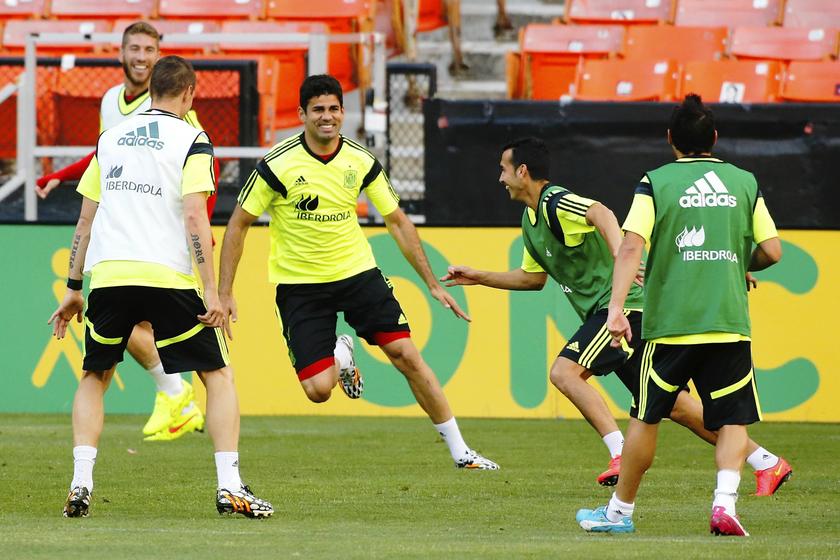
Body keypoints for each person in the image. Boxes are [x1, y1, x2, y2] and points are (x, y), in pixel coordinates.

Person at [443, 136, 791, 492]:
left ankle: (619, 451)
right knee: (678, 408)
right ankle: (767, 462)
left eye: (503, 169)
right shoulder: (531, 221)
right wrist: (479, 277)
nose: (500, 178)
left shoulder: (555, 200)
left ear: (522, 171)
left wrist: (619, 254)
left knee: (565, 372)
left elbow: (602, 213)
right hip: (619, 313)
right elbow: (533, 279)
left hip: (623, 309)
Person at [219, 74, 498, 470]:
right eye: (318, 109)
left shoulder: (360, 160)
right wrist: (225, 291)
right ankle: (341, 351)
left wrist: (432, 283)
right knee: (318, 390)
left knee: (407, 355)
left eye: (334, 108)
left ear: (343, 113)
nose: (327, 117)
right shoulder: (276, 164)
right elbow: (238, 225)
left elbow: (398, 221)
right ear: (301, 114)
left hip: (357, 274)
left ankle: (461, 451)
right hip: (300, 286)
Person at [49, 56, 272, 519]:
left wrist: (74, 287)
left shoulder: (109, 139)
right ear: (189, 94)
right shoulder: (193, 138)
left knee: (95, 376)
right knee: (218, 376)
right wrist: (211, 290)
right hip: (167, 275)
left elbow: (84, 221)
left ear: (150, 89)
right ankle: (229, 485)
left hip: (110, 275)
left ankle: (80, 483)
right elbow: (195, 214)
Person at [576, 94, 785, 536]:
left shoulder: (655, 182)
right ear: (714, 137)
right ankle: (725, 504)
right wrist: (742, 265)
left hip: (670, 326)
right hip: (728, 323)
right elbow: (772, 250)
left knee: (646, 416)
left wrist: (616, 309)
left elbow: (632, 246)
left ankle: (619, 513)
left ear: (670, 139)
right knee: (731, 417)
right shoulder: (745, 182)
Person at [37, 21, 217, 441]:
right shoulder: (109, 101)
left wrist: (202, 228)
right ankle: (175, 395)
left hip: (165, 239)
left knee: (140, 335)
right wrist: (60, 176)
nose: (140, 56)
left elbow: (204, 166)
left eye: (148, 49)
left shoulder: (178, 111)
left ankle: (176, 396)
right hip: (122, 233)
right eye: (133, 48)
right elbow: (101, 155)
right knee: (135, 326)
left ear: (159, 57)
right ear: (121, 53)